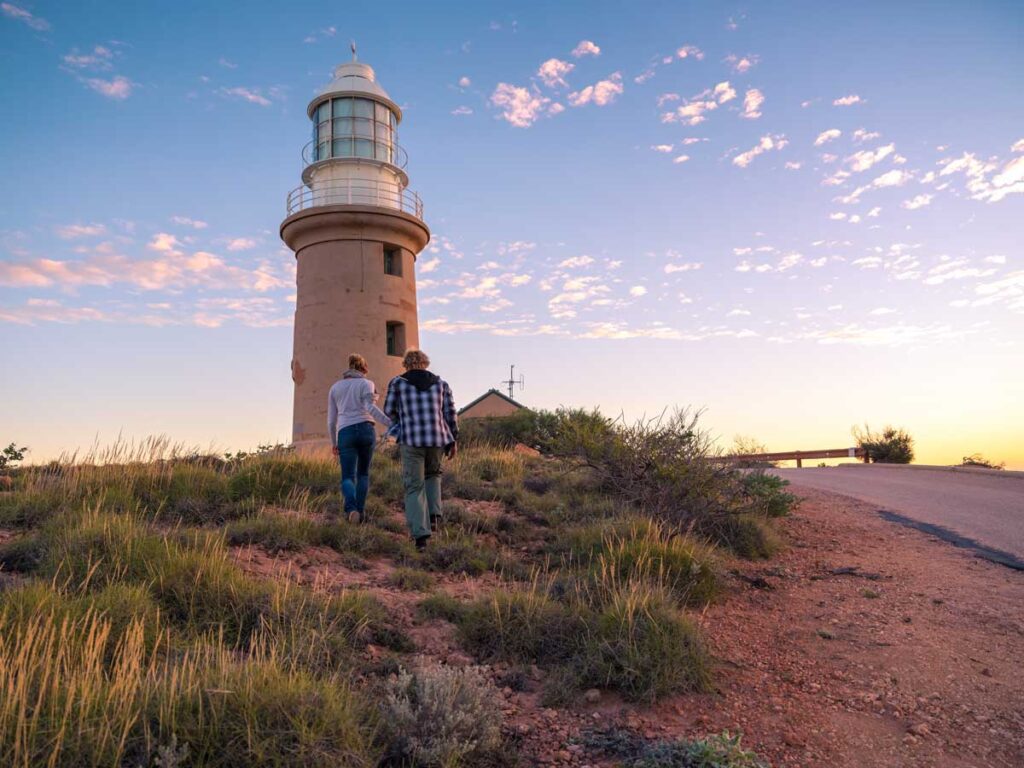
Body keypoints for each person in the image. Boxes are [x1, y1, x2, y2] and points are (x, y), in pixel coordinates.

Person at [383, 349, 458, 550]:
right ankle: (434, 515)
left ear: (406, 364)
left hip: (412, 439)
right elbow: (450, 413)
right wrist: (453, 440)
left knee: (414, 485)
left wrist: (402, 422)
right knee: (433, 475)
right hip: (437, 439)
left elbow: (389, 410)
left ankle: (421, 536)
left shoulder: (397, 383)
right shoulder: (441, 384)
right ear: (425, 363)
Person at [327, 353, 392, 523]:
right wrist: (389, 423)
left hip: (345, 432)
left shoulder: (335, 388)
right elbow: (370, 407)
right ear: (363, 368)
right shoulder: (367, 383)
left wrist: (334, 443)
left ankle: (351, 510)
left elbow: (331, 421)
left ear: (349, 368)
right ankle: (360, 513)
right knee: (363, 474)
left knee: (347, 477)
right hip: (365, 429)